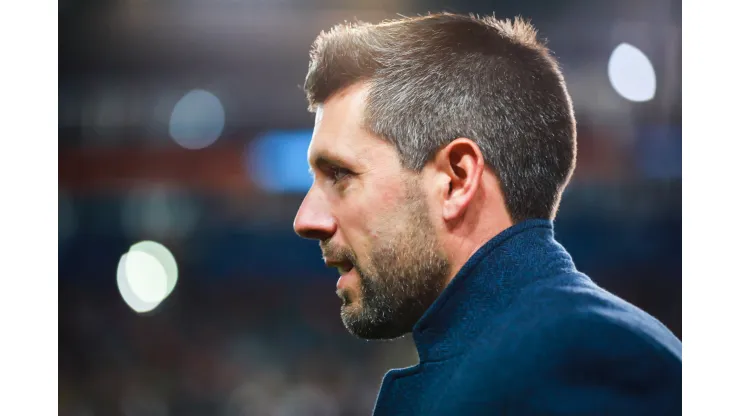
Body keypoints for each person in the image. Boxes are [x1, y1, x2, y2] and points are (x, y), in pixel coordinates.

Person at [292, 12, 681, 416]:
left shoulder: (579, 362)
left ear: (456, 180)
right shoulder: (543, 350)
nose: (306, 218)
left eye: (339, 174)